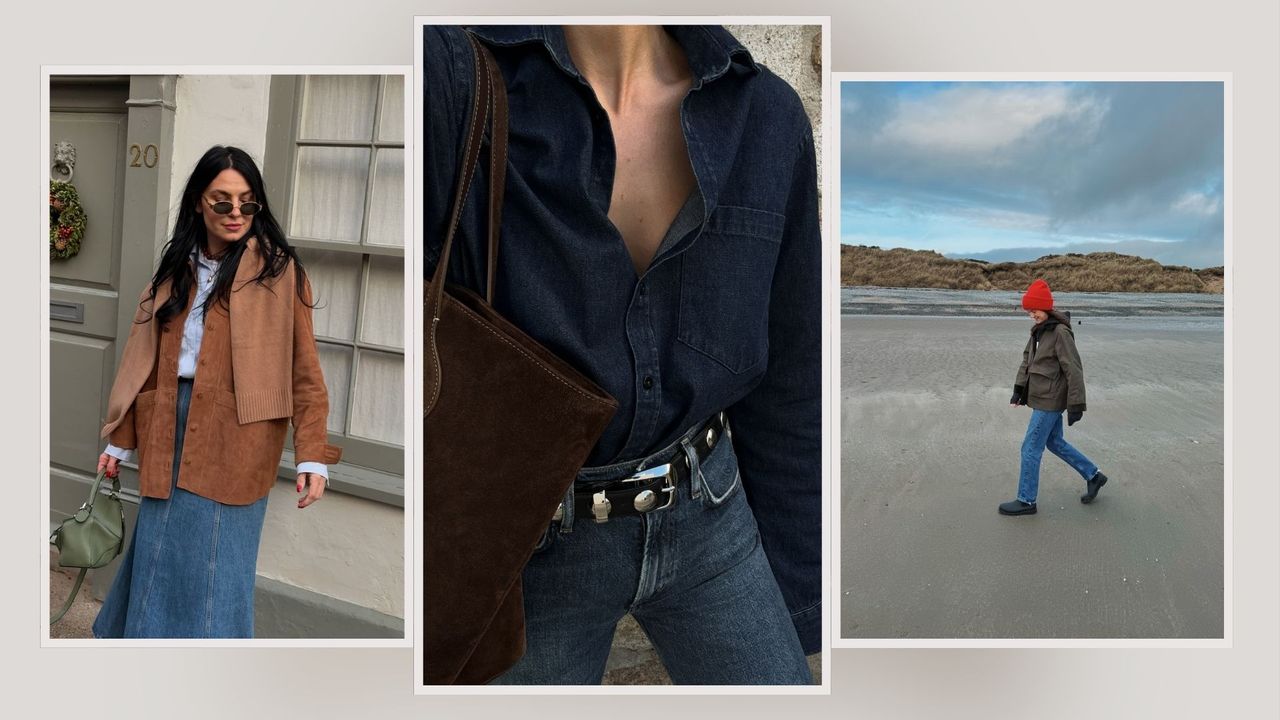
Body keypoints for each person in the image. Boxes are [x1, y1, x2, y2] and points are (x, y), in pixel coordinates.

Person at [425, 25, 821, 684]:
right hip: (525, 547)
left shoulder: (766, 115)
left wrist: (800, 600)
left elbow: (791, 373)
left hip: (713, 513)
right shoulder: (455, 78)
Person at [91, 145, 341, 638]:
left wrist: (313, 455)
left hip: (239, 434)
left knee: (214, 567)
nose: (235, 214)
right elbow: (142, 362)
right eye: (221, 201)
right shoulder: (174, 271)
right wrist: (119, 438)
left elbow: (304, 369)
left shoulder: (280, 273)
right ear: (198, 205)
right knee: (159, 553)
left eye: (247, 203)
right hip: (167, 422)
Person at [1002, 278, 1108, 516]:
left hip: (1051, 400)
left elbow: (1074, 369)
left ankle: (1027, 500)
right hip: (1040, 397)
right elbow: (1026, 360)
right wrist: (1019, 390)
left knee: (1030, 447)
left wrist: (1076, 404)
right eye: (1029, 312)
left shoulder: (1060, 332)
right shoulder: (1038, 332)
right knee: (1054, 442)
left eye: (1035, 311)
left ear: (1046, 308)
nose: (1032, 316)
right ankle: (1094, 475)